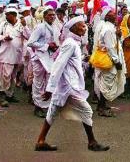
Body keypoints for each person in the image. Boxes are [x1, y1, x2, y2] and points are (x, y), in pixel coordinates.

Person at [35, 16, 109, 152]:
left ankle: (40, 141)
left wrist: (82, 58)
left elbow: (69, 60)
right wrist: (50, 88)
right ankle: (92, 142)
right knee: (86, 110)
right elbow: (59, 64)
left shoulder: (73, 43)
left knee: (52, 112)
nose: (85, 27)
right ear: (74, 28)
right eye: (81, 26)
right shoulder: (70, 43)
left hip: (65, 85)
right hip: (69, 86)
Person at [27, 8, 60, 117]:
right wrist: (46, 46)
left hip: (50, 57)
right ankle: (37, 106)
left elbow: (55, 41)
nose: (52, 17)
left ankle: (46, 105)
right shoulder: (40, 27)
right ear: (44, 16)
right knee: (38, 82)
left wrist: (55, 47)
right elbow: (31, 43)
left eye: (53, 15)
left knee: (48, 81)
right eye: (50, 15)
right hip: (40, 58)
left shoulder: (55, 27)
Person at [0, 7, 30, 106]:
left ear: (13, 15)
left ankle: (9, 95)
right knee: (5, 76)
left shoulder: (21, 25)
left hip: (17, 55)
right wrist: (4, 37)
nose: (6, 16)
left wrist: (25, 26)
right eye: (5, 14)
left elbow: (29, 37)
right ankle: (2, 97)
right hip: (5, 55)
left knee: (13, 77)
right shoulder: (4, 24)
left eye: (8, 14)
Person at [95, 8, 125, 117]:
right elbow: (109, 47)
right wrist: (116, 61)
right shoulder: (107, 29)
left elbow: (117, 43)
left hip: (114, 58)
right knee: (106, 83)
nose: (115, 15)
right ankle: (102, 108)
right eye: (112, 13)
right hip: (110, 60)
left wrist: (119, 35)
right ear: (107, 17)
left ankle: (101, 105)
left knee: (108, 82)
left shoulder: (112, 27)